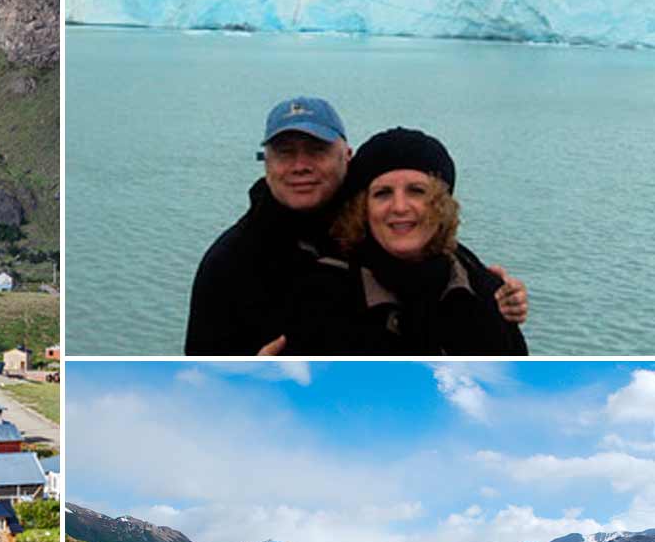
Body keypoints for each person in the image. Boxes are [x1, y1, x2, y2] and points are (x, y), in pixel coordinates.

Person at [184, 97, 528, 355]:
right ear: (266, 163)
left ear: (346, 157)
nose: (300, 165)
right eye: (285, 152)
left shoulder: (448, 266)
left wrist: (496, 289)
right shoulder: (231, 262)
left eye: (316, 150)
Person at [279, 127, 527, 355]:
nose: (399, 207)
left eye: (417, 191)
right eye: (382, 193)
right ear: (362, 209)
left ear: (442, 204)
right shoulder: (320, 294)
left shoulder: (481, 286)